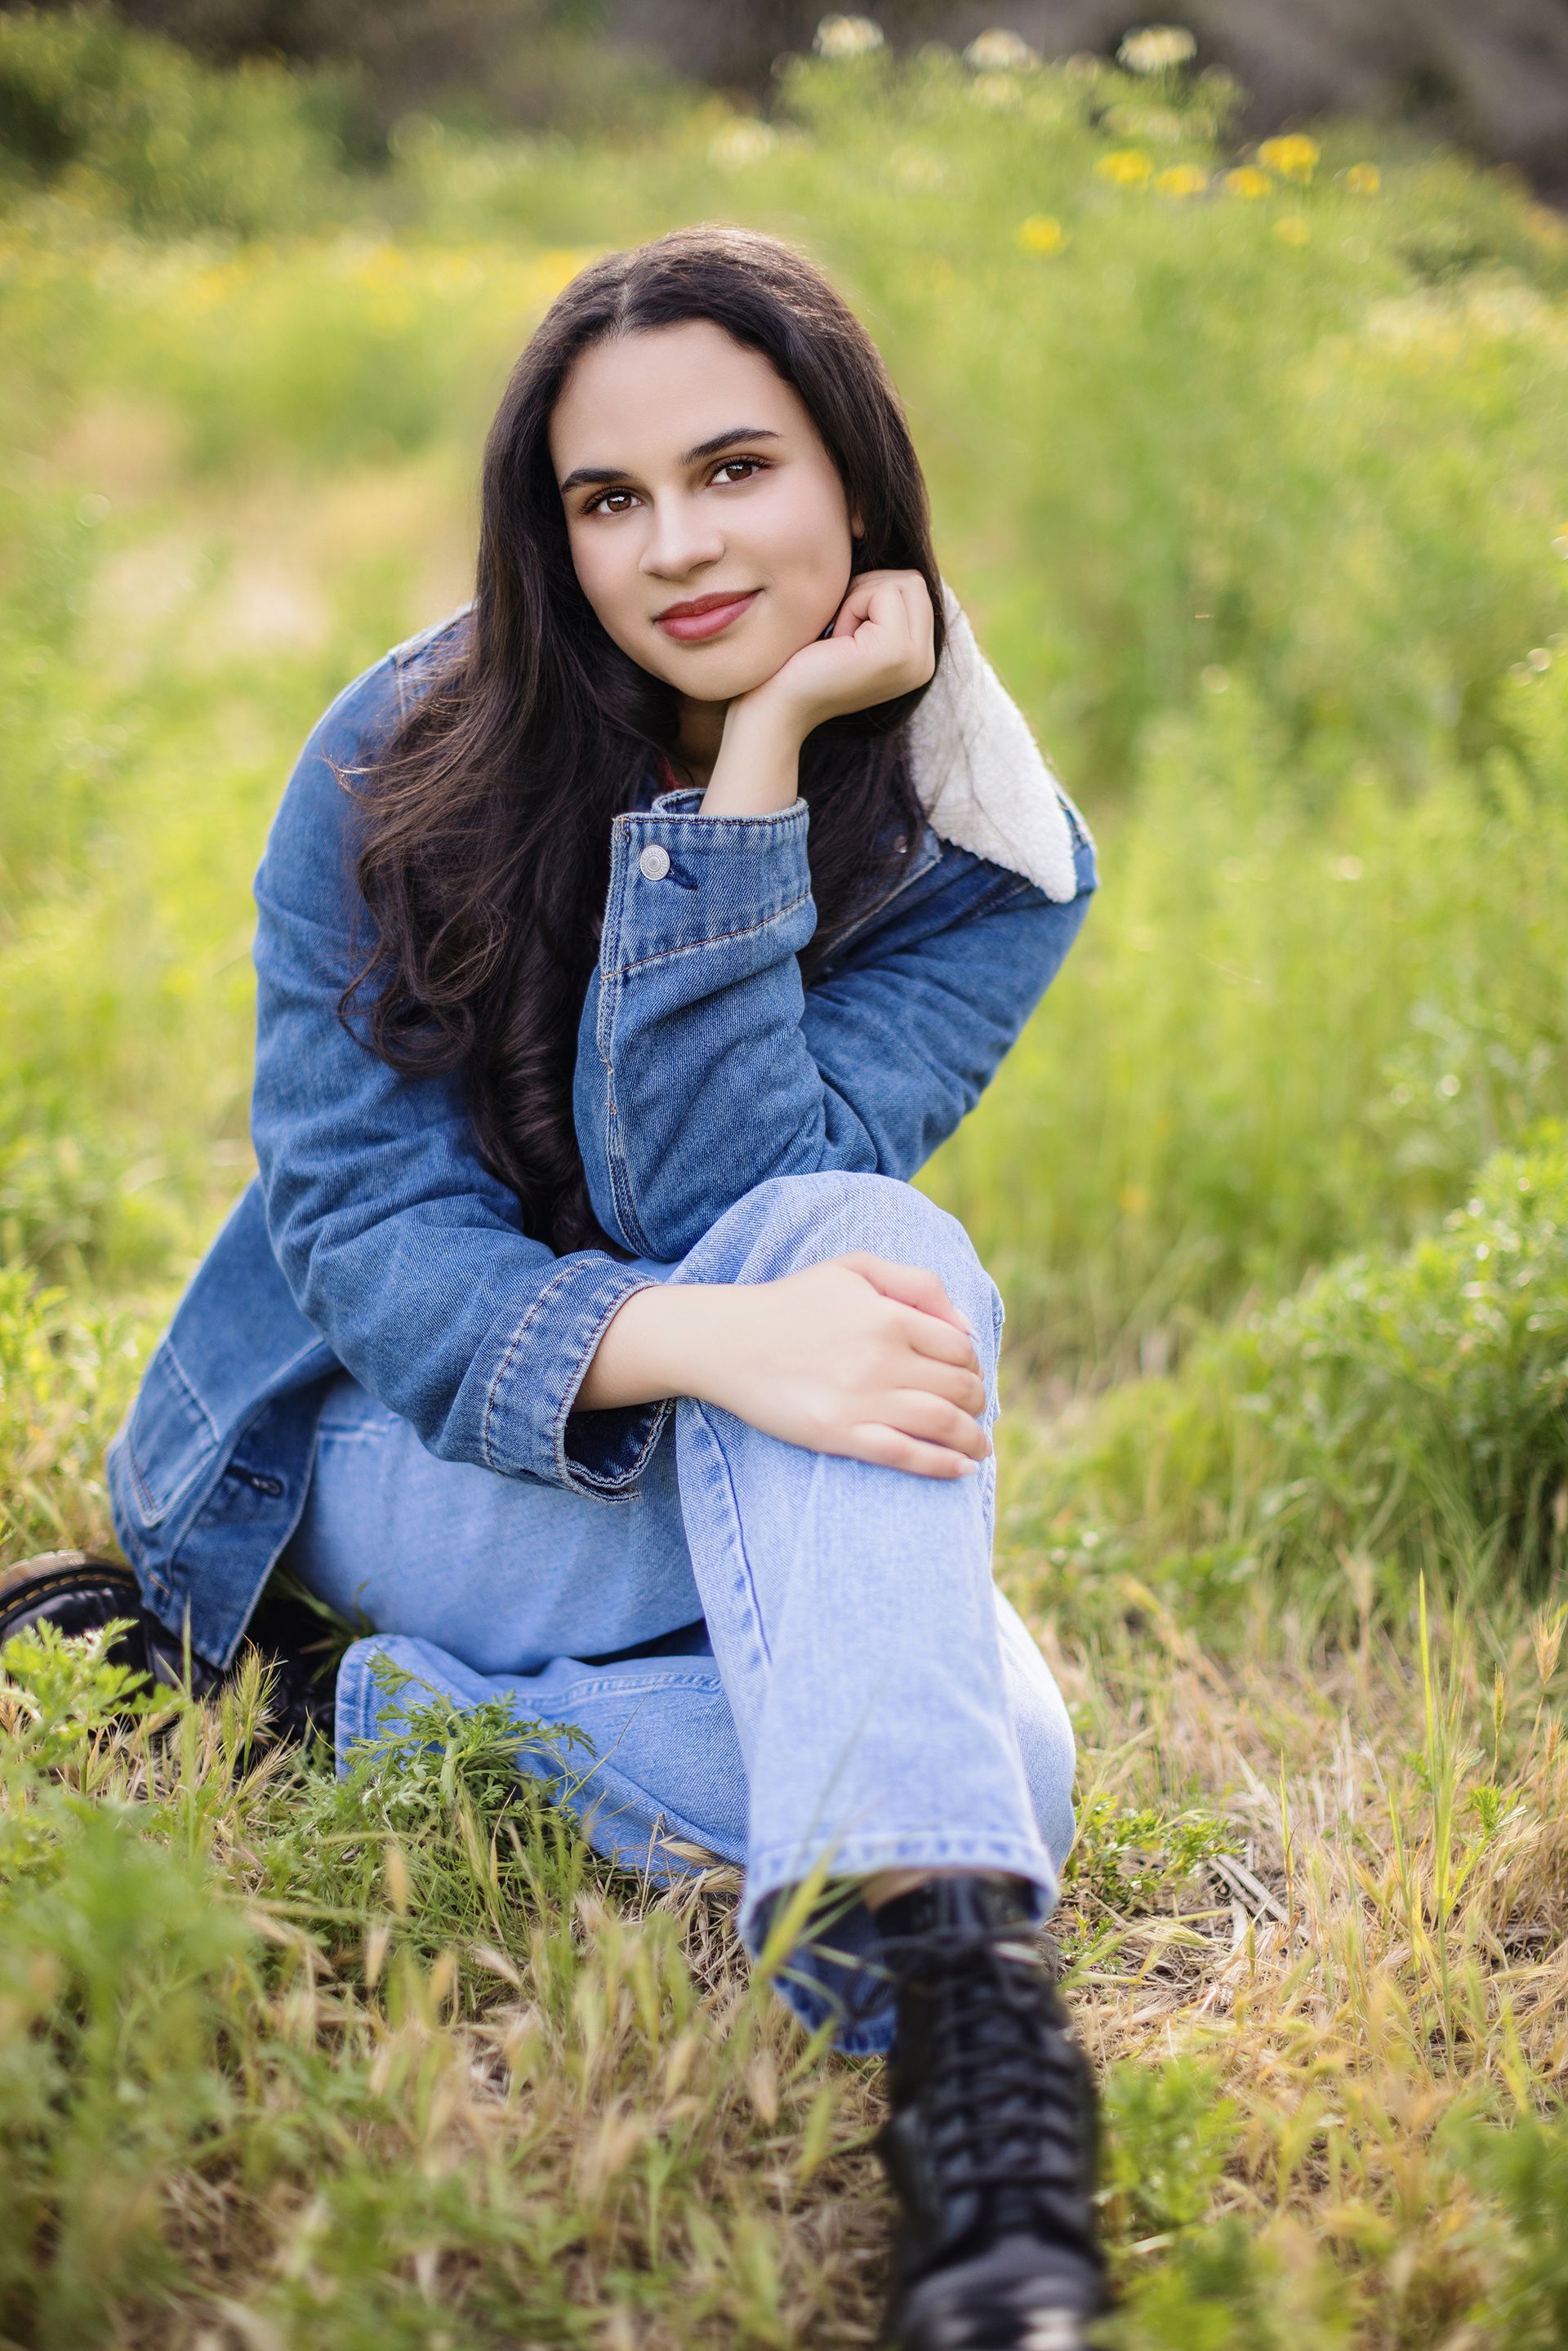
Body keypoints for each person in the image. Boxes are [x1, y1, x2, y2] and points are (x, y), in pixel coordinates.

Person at [0, 225, 1105, 2349]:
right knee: (876, 1295)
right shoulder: (403, 750)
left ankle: (358, 1723)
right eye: (611, 501)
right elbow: (361, 1237)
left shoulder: (988, 854)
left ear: (854, 481)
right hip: (389, 1437)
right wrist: (700, 1340)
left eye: (736, 470)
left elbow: (727, 1189)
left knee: (1012, 1767)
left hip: (733, 1450)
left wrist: (763, 751)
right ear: (552, 532)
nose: (677, 546)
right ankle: (1002, 2101)